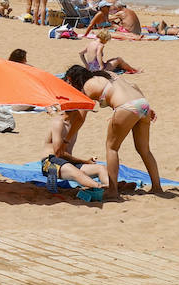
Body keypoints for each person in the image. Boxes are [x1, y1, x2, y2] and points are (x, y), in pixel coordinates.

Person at [64, 65, 162, 199]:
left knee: (112, 148)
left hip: (125, 107)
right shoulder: (107, 74)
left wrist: (67, 139)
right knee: (144, 149)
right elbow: (134, 85)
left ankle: (113, 190)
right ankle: (157, 187)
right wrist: (147, 109)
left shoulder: (87, 87)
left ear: (72, 79)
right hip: (142, 103)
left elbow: (81, 118)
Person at [41, 109, 110, 199]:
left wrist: (85, 162)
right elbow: (58, 153)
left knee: (101, 168)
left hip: (67, 162)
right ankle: (98, 188)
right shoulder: (59, 123)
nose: (85, 114)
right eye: (84, 111)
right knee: (78, 174)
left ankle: (108, 187)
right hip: (51, 162)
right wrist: (85, 161)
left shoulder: (73, 126)